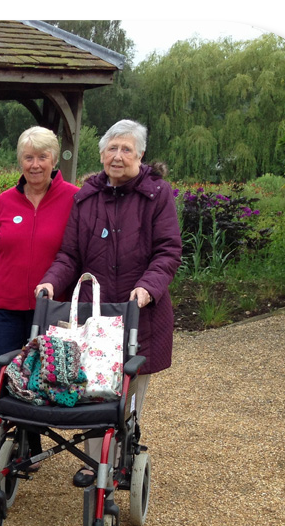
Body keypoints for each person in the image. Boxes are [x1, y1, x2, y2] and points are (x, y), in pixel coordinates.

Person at [35, 119, 181, 487]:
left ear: (140, 155)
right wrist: (52, 282)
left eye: (126, 149)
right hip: (95, 314)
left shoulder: (157, 194)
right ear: (101, 154)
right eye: (112, 149)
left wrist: (147, 288)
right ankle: (95, 460)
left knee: (128, 393)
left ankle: (122, 458)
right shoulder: (87, 197)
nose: (118, 156)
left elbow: (168, 252)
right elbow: (70, 255)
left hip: (140, 314)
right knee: (94, 386)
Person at [0, 126, 80, 476]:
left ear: (55, 159)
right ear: (20, 160)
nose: (35, 164)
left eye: (42, 156)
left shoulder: (74, 198)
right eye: (28, 157)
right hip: (6, 309)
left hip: (53, 310)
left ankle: (28, 449)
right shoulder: (4, 202)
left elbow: (78, 255)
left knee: (42, 379)